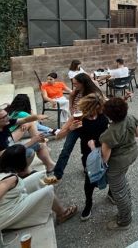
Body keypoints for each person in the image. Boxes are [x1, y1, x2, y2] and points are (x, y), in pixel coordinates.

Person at [0, 145, 77, 236]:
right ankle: (62, 214)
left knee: (39, 176)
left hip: (0, 207)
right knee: (48, 190)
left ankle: (57, 208)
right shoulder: (9, 179)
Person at [55, 93, 109, 221]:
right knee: (89, 180)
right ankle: (88, 204)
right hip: (88, 155)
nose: (99, 109)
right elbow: (58, 136)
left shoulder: (102, 114)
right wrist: (70, 129)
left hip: (106, 150)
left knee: (110, 173)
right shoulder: (78, 119)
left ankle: (112, 193)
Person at [89, 97, 138, 230]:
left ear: (108, 115)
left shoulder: (109, 133)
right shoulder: (131, 118)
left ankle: (124, 221)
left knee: (118, 192)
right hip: (132, 154)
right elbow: (137, 134)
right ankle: (127, 203)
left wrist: (93, 148)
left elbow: (104, 159)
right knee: (122, 182)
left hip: (117, 163)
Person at [43, 73, 103, 185]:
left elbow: (103, 104)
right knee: (66, 148)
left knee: (88, 149)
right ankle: (57, 175)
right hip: (76, 120)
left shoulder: (93, 93)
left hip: (88, 123)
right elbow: (71, 96)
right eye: (73, 83)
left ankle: (88, 168)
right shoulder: (77, 90)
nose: (74, 85)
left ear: (83, 83)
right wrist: (71, 108)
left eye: (76, 83)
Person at [0, 109, 54, 173]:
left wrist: (37, 117)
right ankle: (22, 172)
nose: (8, 117)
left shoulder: (2, 124)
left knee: (40, 144)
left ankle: (50, 165)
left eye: (7, 115)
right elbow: (8, 154)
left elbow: (25, 119)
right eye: (4, 117)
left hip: (5, 152)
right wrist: (32, 141)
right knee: (29, 152)